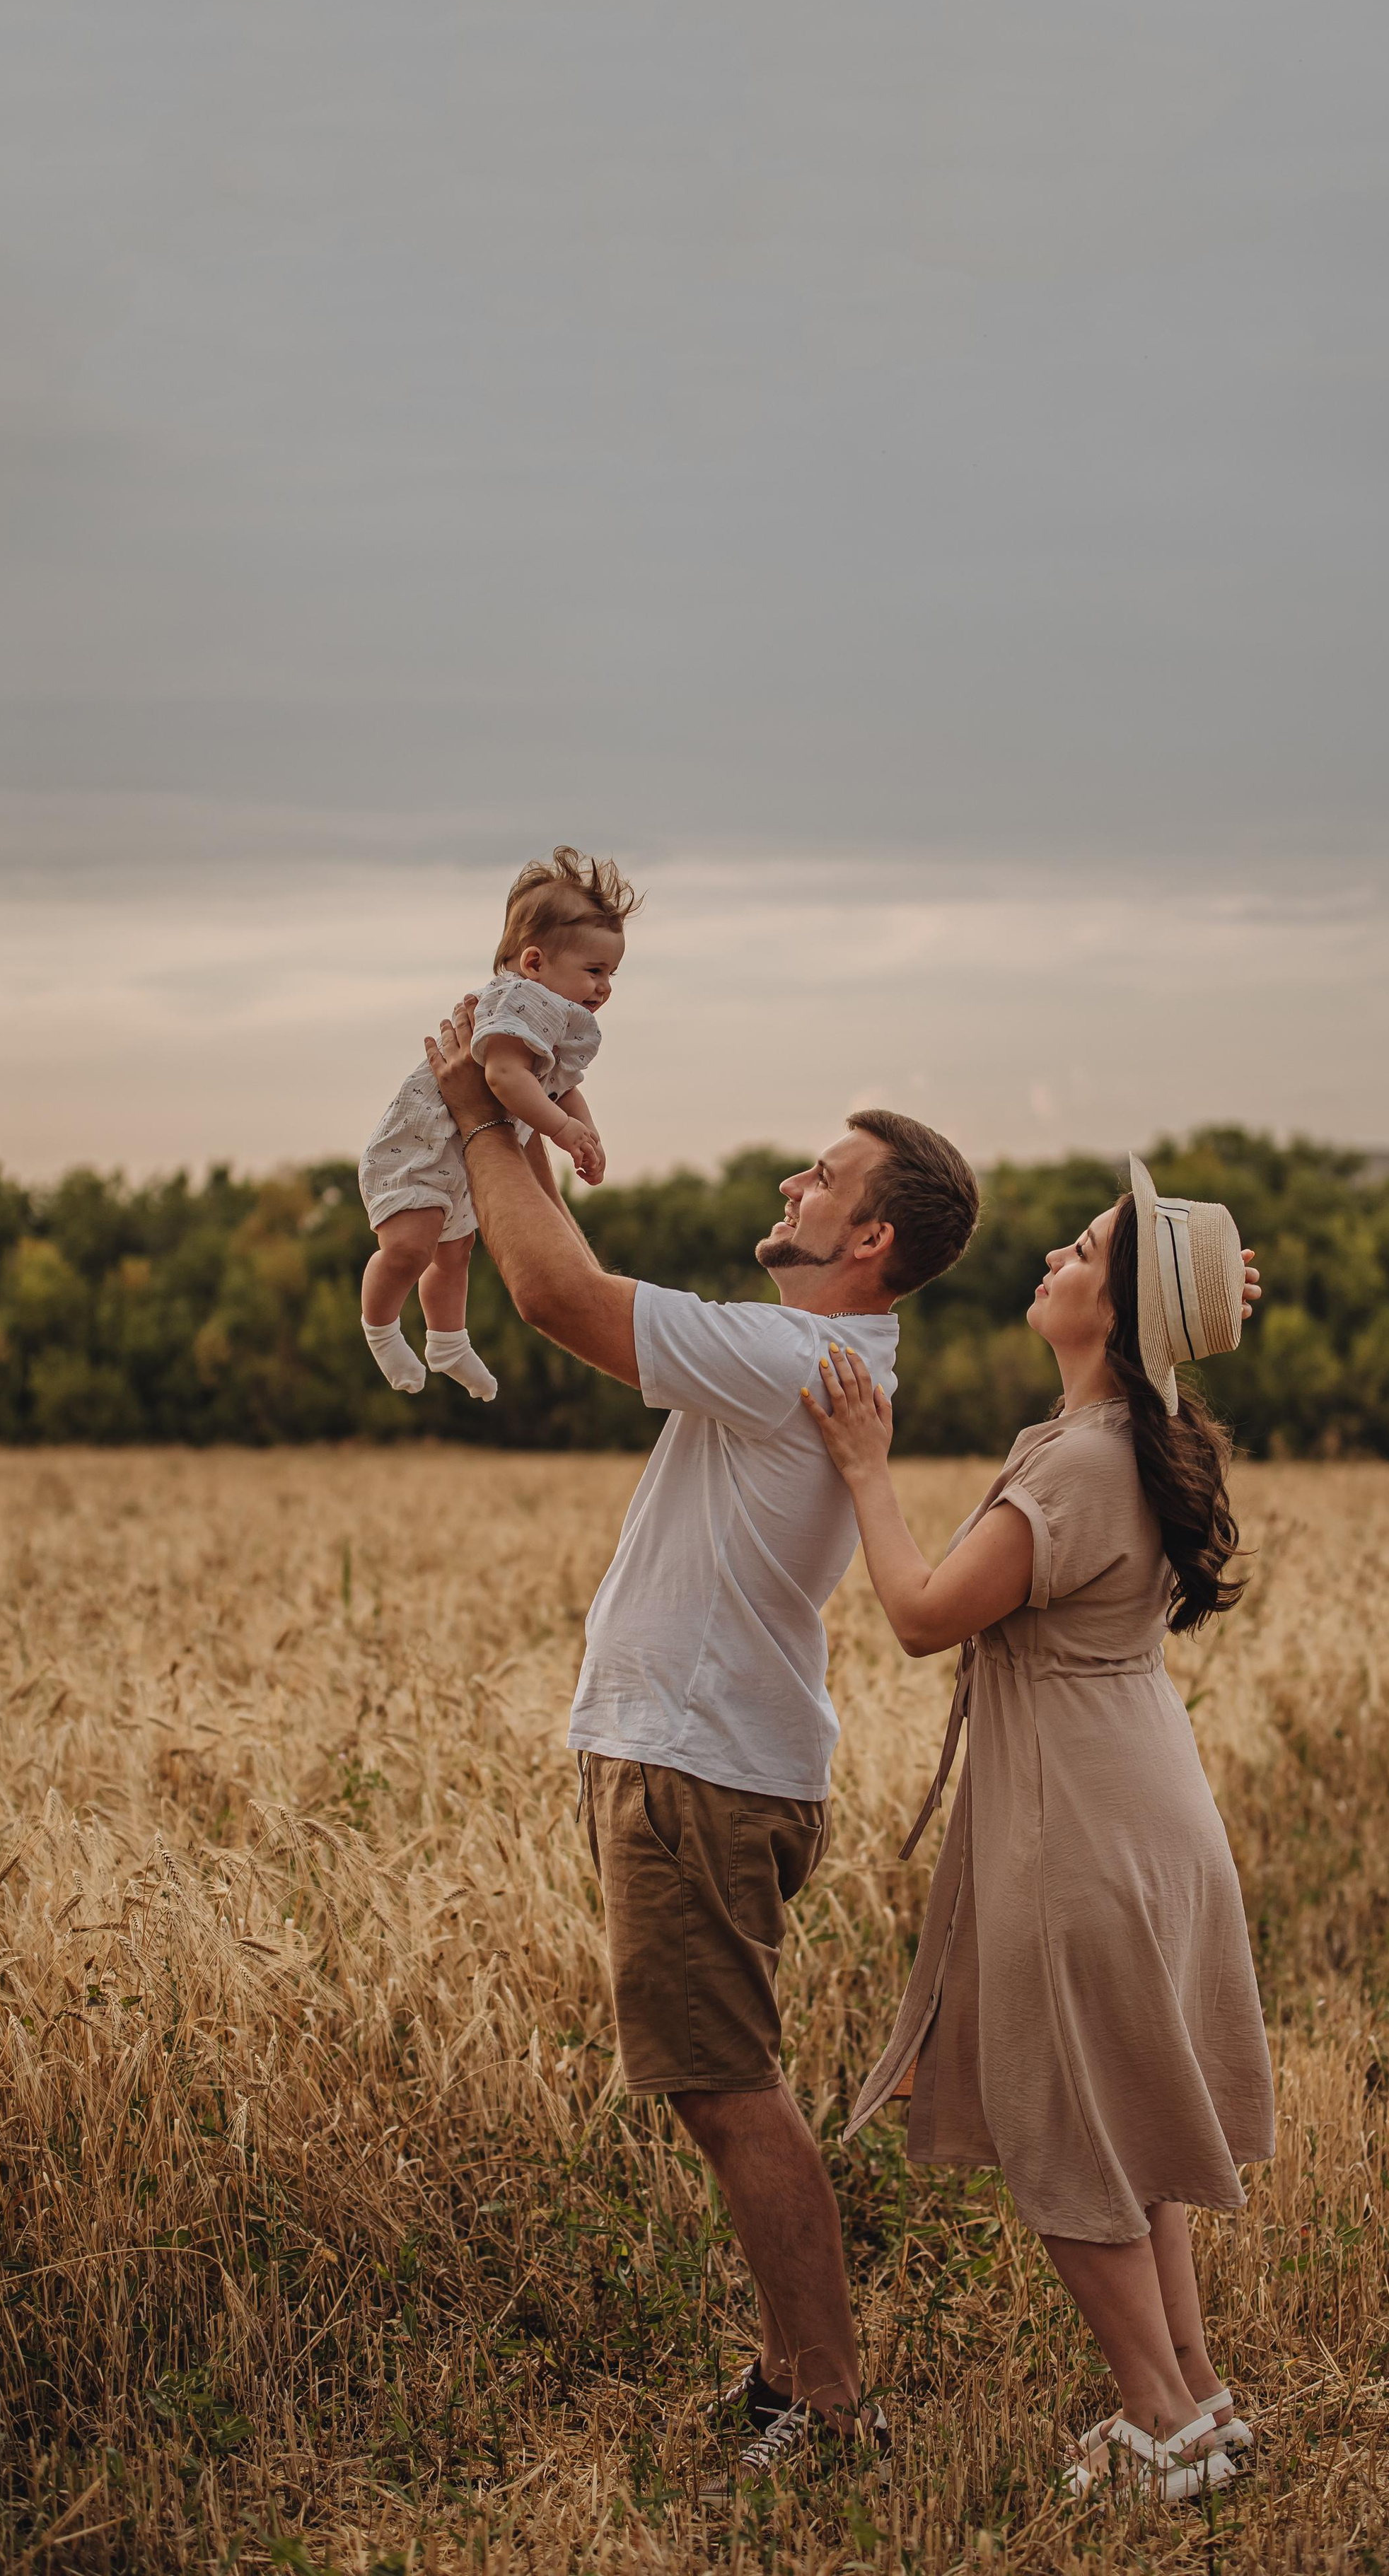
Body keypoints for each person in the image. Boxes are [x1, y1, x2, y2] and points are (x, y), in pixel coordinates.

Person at [423, 997, 981, 2483]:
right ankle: (800, 2381)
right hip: (703, 1758)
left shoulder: (794, 1358)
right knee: (714, 2077)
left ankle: (831, 2409)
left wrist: (482, 1118)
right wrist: (518, 1100)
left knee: (726, 2086)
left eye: (817, 1180)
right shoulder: (806, 1358)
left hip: (695, 1768)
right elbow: (569, 1269)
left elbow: (556, 1300)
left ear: (866, 1241)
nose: (789, 1189)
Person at [802, 1155, 1273, 2506]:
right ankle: (1196, 2402)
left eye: (1084, 1250)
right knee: (1136, 2118)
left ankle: (1160, 2424)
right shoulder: (1139, 1435)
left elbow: (918, 1612)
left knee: (1069, 2128)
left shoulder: (1076, 1460)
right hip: (1149, 1810)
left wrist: (864, 1466)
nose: (1055, 1258)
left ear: (1116, 1315)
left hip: (1074, 1834)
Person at [359, 849, 639, 1402]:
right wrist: (562, 1131)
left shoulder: (552, 1014)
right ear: (534, 963)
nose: (605, 987)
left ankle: (447, 1340)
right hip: (420, 1150)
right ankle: (382, 1329)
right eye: (594, 971)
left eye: (611, 974)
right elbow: (507, 1077)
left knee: (455, 1252)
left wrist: (586, 1132)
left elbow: (560, 1082)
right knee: (411, 1249)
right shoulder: (518, 1000)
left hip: (461, 1154)